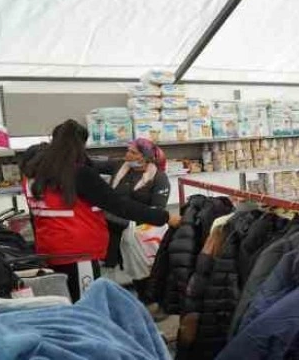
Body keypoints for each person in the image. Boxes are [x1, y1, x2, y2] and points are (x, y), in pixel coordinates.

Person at [21, 119, 181, 301]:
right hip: (77, 251)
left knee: (66, 302)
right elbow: (119, 205)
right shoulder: (78, 174)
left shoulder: (33, 174)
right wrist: (165, 217)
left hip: (49, 248)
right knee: (88, 305)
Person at [92, 138, 170, 297]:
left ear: (144, 157)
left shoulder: (159, 178)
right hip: (112, 224)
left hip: (139, 230)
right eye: (128, 150)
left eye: (132, 152)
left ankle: (149, 299)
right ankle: (111, 296)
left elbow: (157, 210)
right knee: (108, 264)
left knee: (142, 268)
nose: (127, 154)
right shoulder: (119, 166)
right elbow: (92, 165)